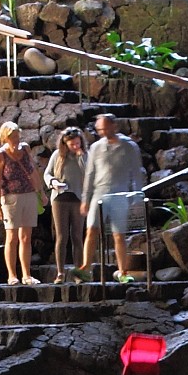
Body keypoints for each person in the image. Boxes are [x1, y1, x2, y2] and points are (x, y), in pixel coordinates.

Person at [79, 112, 146, 282]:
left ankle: (123, 271)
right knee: (91, 229)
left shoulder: (129, 146)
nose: (102, 132)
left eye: (105, 128)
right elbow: (90, 173)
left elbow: (137, 173)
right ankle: (85, 268)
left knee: (118, 234)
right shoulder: (96, 147)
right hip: (99, 192)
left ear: (114, 127)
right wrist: (85, 199)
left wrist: (137, 196)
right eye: (99, 129)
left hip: (120, 193)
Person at [0, 122, 40, 286]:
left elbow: (33, 171)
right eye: (12, 136)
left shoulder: (25, 148)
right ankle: (12, 275)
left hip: (29, 194)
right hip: (10, 198)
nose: (16, 139)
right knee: (12, 237)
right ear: (5, 137)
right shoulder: (0, 155)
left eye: (17, 135)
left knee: (26, 237)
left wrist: (40, 193)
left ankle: (27, 274)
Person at [43, 126, 88, 276]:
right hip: (60, 198)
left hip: (78, 199)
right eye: (72, 144)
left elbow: (89, 173)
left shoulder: (85, 155)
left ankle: (78, 272)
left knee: (77, 235)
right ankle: (60, 272)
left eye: (77, 143)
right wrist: (53, 182)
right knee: (61, 236)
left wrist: (80, 155)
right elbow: (47, 174)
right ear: (65, 143)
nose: (75, 146)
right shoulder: (57, 155)